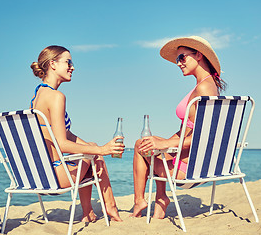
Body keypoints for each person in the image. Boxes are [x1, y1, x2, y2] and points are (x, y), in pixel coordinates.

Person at [130, 36, 227, 219]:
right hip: (196, 162)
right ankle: (160, 199)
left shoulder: (205, 89)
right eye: (177, 60)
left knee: (139, 146)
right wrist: (164, 142)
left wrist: (164, 144)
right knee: (150, 143)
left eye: (181, 58)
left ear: (198, 55)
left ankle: (140, 201)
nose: (178, 63)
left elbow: (206, 137)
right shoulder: (205, 85)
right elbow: (192, 130)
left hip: (189, 170)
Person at [30, 45, 124, 222]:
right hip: (55, 177)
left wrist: (94, 147)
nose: (72, 67)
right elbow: (62, 144)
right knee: (95, 153)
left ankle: (89, 212)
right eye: (68, 62)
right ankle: (110, 207)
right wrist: (103, 150)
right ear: (53, 64)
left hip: (37, 176)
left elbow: (62, 134)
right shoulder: (56, 97)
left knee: (92, 149)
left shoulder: (36, 97)